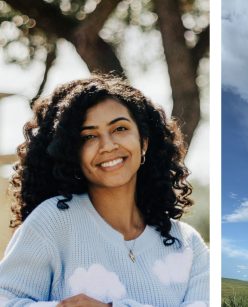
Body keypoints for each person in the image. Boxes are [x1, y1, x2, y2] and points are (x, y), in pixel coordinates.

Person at [1, 76, 208, 306]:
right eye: (89, 136)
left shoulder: (188, 244)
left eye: (120, 128)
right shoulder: (52, 221)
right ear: (73, 152)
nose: (108, 145)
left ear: (144, 142)